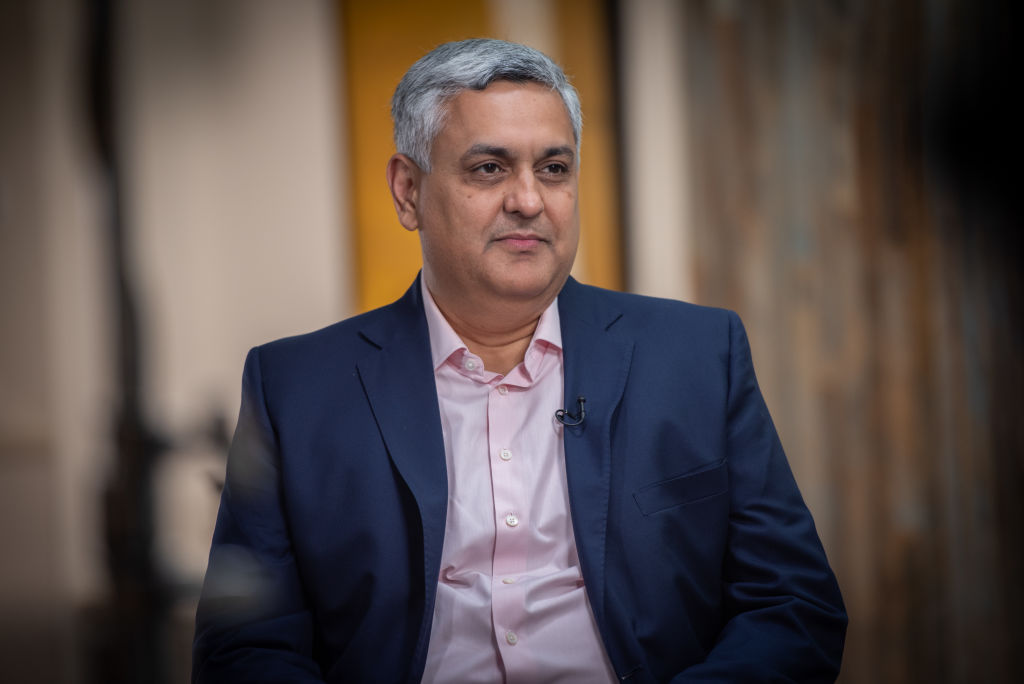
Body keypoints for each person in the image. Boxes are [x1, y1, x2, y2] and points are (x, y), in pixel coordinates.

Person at [192, 38, 846, 683]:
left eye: (554, 169)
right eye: (489, 169)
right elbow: (246, 647)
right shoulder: (296, 389)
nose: (529, 201)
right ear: (408, 191)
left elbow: (791, 604)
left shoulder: (698, 355)